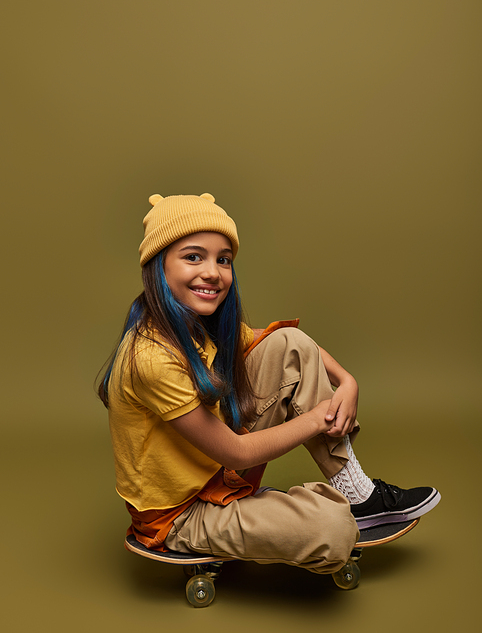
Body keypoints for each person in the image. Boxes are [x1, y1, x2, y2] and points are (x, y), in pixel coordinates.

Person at [97, 192, 440, 575]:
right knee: (332, 528)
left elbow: (288, 345)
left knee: (287, 343)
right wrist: (317, 417)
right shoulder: (150, 356)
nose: (213, 272)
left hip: (216, 472)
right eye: (193, 256)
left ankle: (356, 493)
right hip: (183, 513)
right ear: (157, 267)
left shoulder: (197, 325)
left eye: (223, 259)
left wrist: (347, 381)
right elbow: (238, 454)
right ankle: (315, 512)